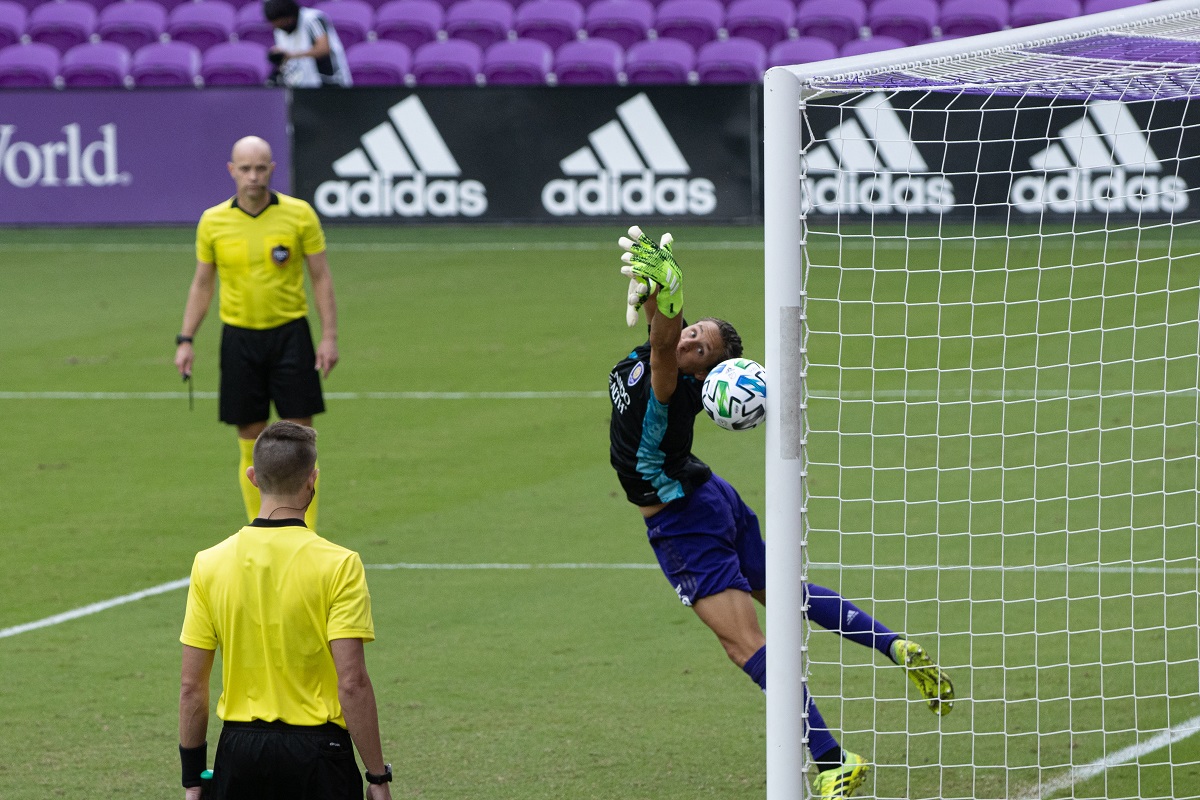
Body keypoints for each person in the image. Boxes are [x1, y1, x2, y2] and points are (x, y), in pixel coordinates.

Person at [610, 227, 955, 800]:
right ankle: (894, 646)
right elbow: (662, 331)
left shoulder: (669, 384)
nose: (691, 336)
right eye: (693, 329)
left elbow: (665, 342)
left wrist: (668, 299)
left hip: (681, 521)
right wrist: (656, 290)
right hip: (713, 496)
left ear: (704, 371)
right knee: (786, 592)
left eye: (702, 344)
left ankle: (831, 760)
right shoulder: (665, 354)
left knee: (746, 644)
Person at [178, 421, 393, 800]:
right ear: (313, 479)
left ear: (252, 477)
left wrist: (193, 777)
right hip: (319, 753)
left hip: (239, 753)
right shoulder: (339, 564)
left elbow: (192, 688)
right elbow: (352, 682)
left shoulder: (209, 563)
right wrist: (377, 776)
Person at [174, 135, 338, 530]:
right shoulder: (213, 221)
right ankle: (259, 527)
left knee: (301, 437)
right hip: (239, 339)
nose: (252, 176)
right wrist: (186, 339)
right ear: (232, 170)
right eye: (245, 169)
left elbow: (320, 276)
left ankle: (304, 532)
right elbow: (202, 284)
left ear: (272, 170)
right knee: (250, 436)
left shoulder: (299, 215)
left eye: (260, 168)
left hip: (290, 336)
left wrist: (329, 335)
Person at [263, 0, 352, 88]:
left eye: (281, 23)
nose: (278, 27)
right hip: (303, 85)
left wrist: (291, 55)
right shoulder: (279, 30)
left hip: (331, 82)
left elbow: (324, 49)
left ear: (289, 17)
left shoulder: (312, 19)